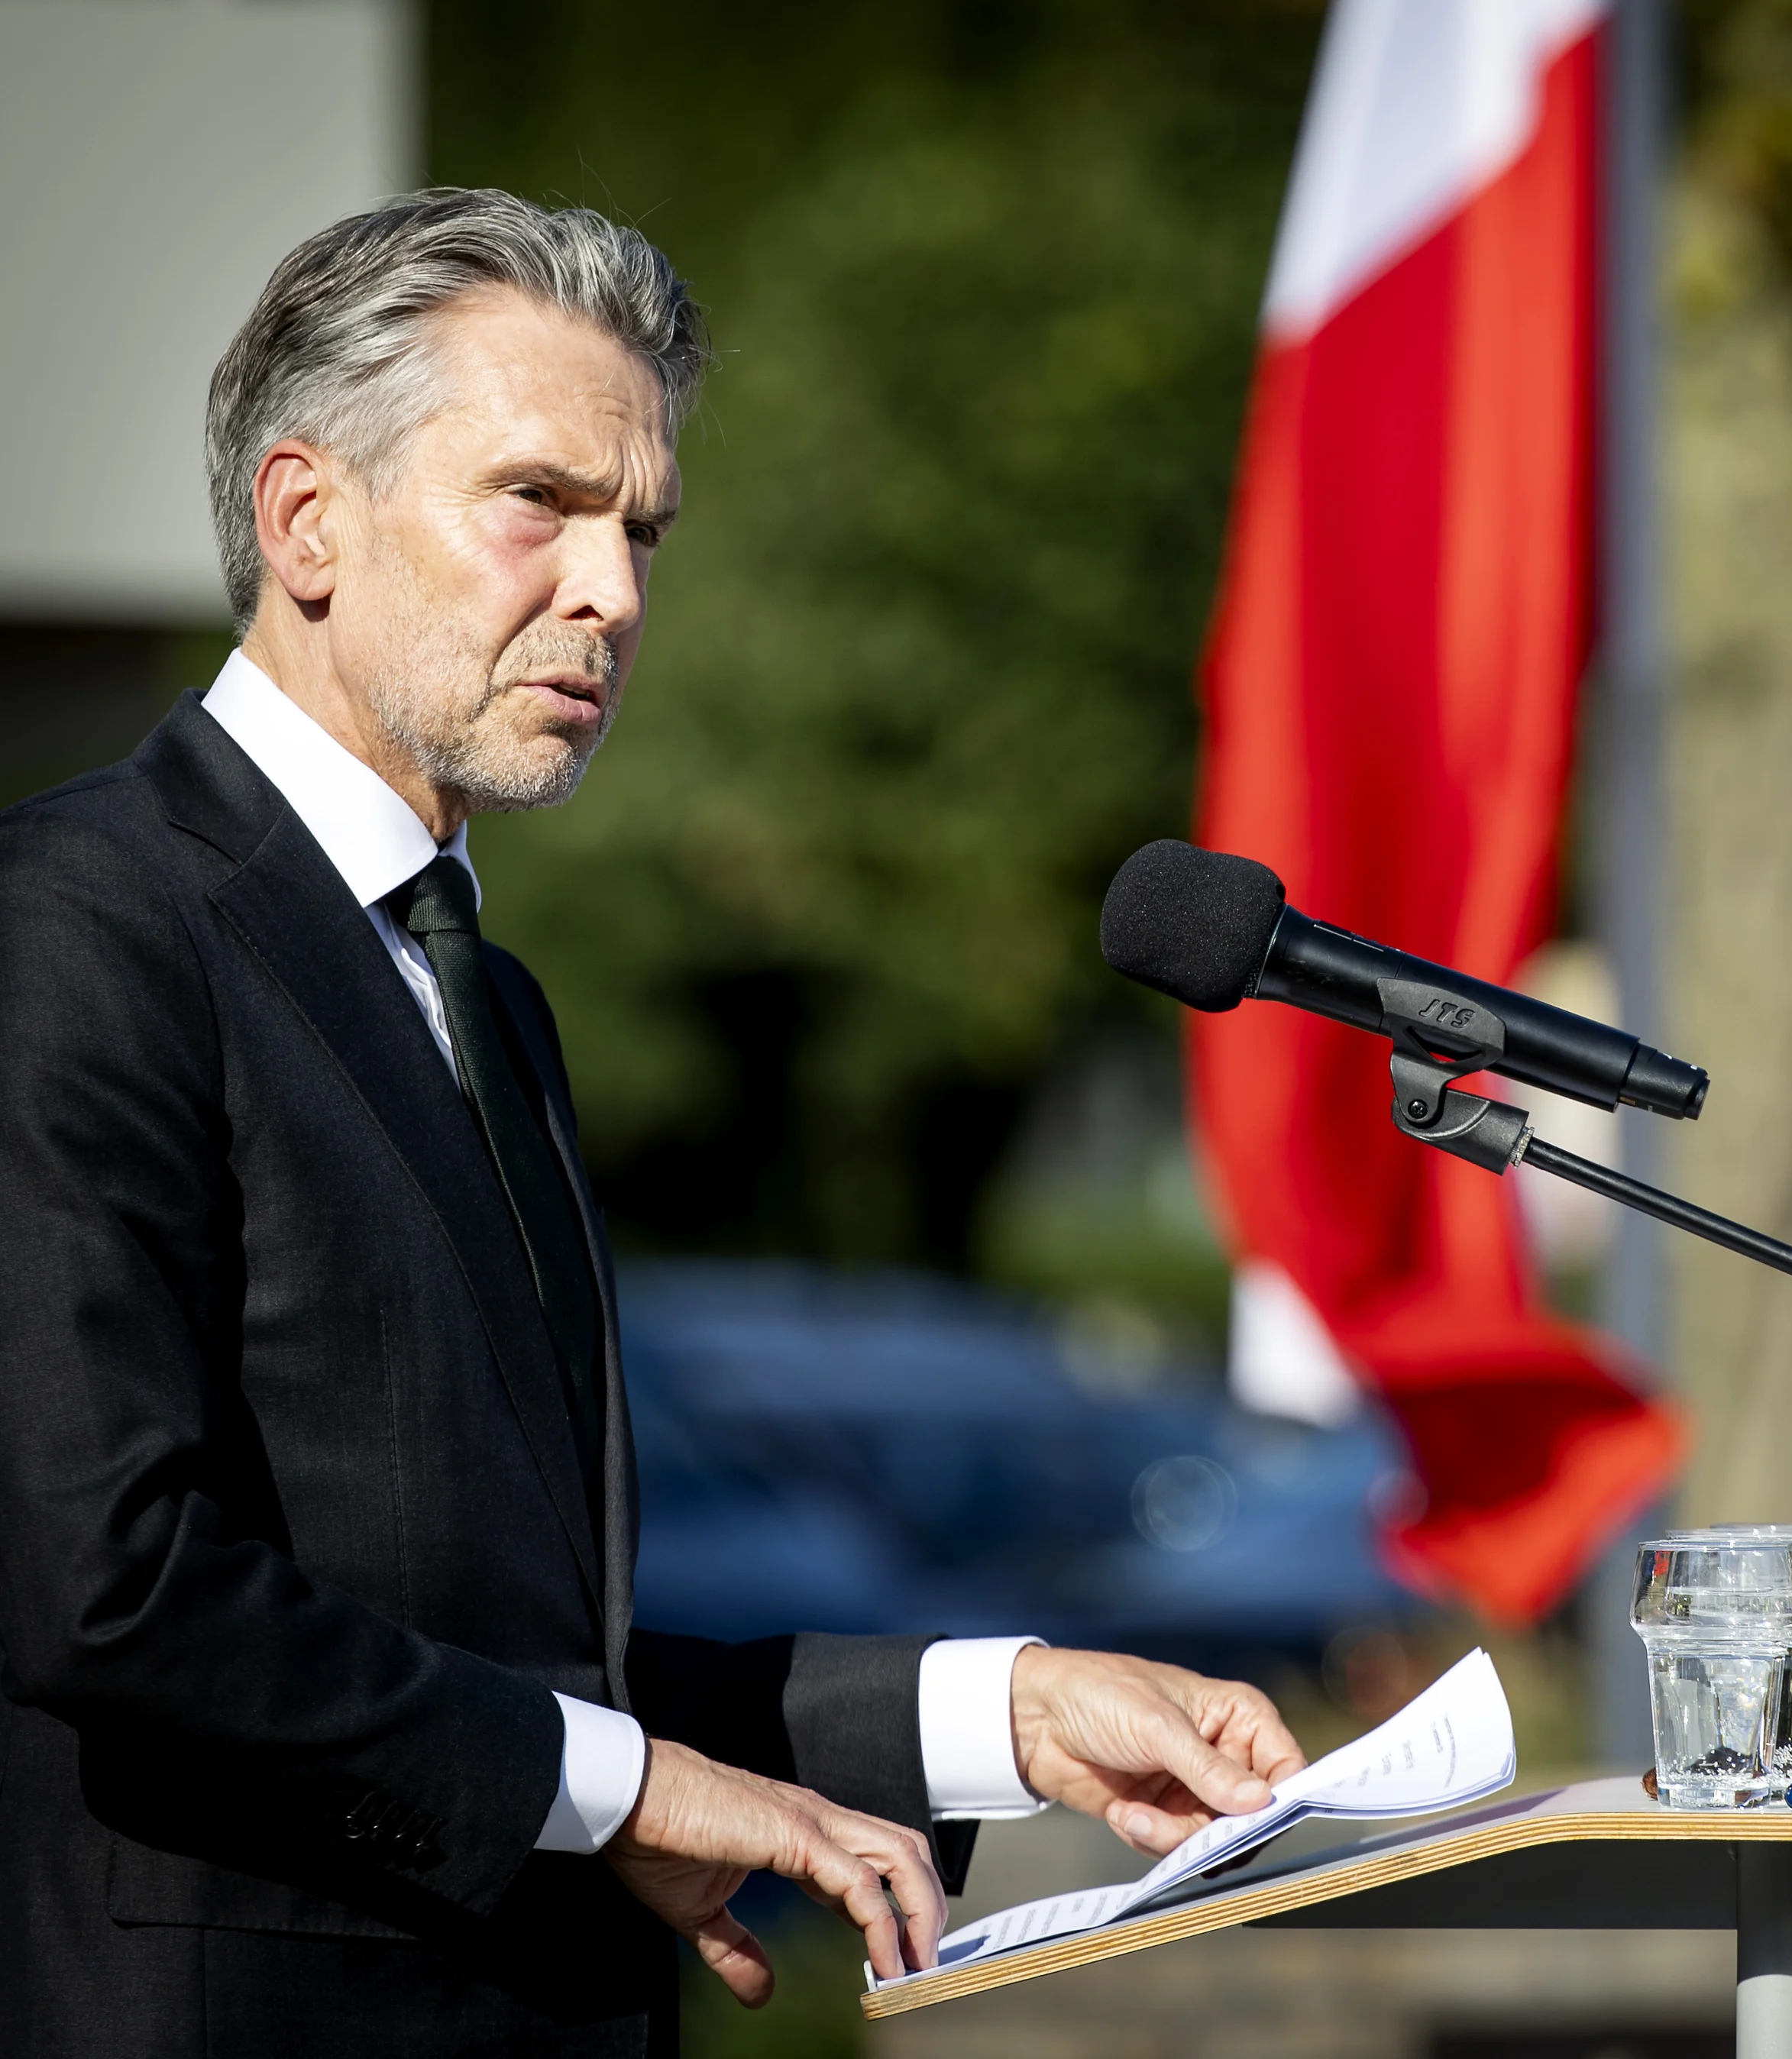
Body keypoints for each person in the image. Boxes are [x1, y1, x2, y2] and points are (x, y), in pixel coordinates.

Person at [0, 189, 1307, 2057]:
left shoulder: (489, 1001)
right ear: (308, 521)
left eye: (643, 530)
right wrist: (624, 1793)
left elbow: (541, 1687)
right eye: (541, 500)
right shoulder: (75, 924)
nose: (614, 592)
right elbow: (104, 1586)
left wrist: (997, 1710)